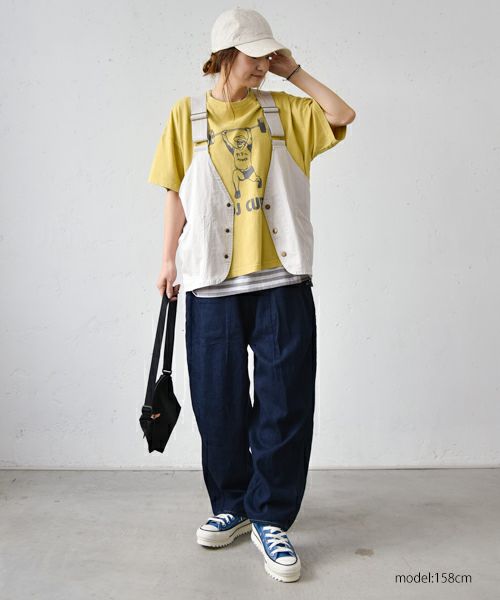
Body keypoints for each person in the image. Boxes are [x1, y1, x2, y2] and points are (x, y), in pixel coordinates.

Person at [147, 7, 356, 583]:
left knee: (285, 401)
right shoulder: (185, 115)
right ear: (224, 55)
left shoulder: (284, 110)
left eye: (268, 54)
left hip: (281, 281)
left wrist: (295, 72)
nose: (263, 63)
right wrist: (166, 259)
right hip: (210, 283)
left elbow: (342, 114)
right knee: (218, 404)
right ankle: (232, 505)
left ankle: (271, 516)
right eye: (255, 54)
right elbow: (174, 193)